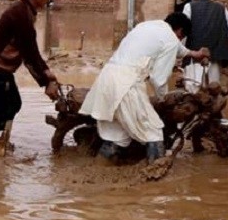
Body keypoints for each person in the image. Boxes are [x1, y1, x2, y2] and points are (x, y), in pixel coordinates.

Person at [79, 13, 209, 163]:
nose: (179, 40)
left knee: (118, 137)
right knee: (154, 132)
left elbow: (177, 47)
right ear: (180, 31)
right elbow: (158, 79)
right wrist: (164, 100)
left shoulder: (147, 26)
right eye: (181, 36)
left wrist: (195, 54)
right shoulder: (171, 40)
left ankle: (96, 172)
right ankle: (154, 178)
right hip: (127, 85)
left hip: (106, 79)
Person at [0, 0, 60, 155]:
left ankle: (1, 142)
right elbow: (30, 54)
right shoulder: (21, 16)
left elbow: (30, 54)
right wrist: (47, 81)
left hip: (0, 68)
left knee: (13, 103)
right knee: (2, 109)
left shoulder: (26, 11)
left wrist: (48, 77)